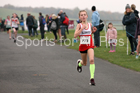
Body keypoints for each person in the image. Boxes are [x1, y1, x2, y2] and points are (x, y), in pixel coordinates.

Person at [74, 10, 97, 86]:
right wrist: (82, 28)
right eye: (81, 15)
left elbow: (89, 33)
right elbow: (75, 35)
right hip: (82, 46)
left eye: (84, 15)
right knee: (84, 63)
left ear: (87, 16)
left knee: (92, 60)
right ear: (79, 17)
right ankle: (79, 63)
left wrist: (93, 31)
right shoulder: (79, 25)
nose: (83, 16)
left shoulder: (90, 24)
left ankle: (92, 79)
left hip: (90, 45)